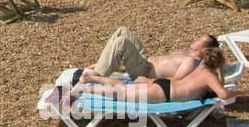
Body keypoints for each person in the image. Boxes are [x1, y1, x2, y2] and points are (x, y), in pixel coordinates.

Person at [75, 44, 234, 105]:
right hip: (165, 92)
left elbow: (220, 89)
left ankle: (91, 78)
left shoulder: (201, 69)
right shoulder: (208, 76)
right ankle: (87, 88)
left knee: (122, 88)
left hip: (163, 86)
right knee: (121, 92)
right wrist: (240, 91)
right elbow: (223, 93)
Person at [74, 29, 217, 86]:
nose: (196, 39)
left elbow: (175, 82)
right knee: (123, 31)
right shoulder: (187, 53)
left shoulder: (191, 62)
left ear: (204, 49)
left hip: (145, 71)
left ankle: (99, 74)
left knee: (121, 42)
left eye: (200, 39)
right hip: (145, 60)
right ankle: (104, 64)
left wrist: (148, 81)